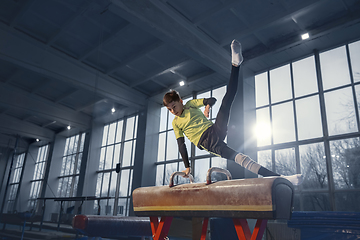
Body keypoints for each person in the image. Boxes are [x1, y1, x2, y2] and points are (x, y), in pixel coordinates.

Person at [163, 39, 302, 185]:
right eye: (169, 110)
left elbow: (212, 99)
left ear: (180, 101)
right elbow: (181, 145)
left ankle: (236, 64)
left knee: (227, 100)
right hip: (208, 143)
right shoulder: (176, 123)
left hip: (215, 129)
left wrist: (207, 106)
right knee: (242, 159)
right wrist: (187, 166)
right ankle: (284, 179)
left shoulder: (191, 104)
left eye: (174, 106)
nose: (173, 111)